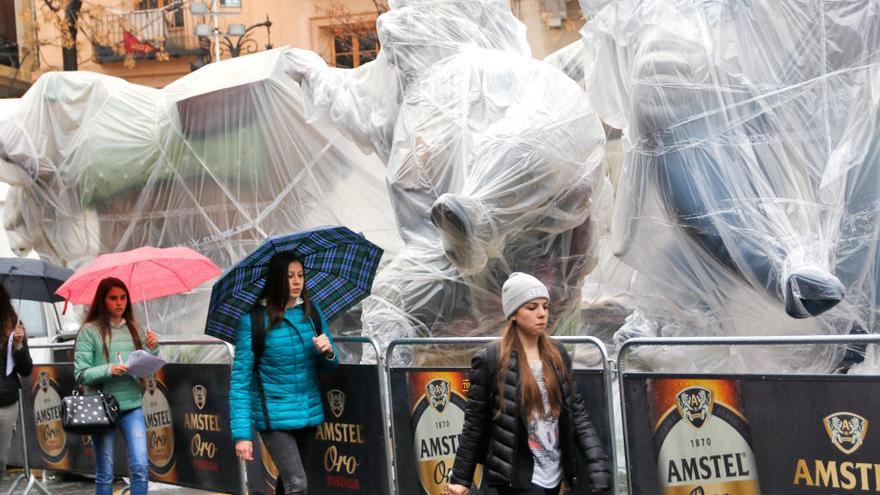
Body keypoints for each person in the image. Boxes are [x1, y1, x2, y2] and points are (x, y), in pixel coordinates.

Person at [448, 272, 611, 495]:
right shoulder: (491, 359)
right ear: (514, 314)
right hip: (514, 481)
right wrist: (460, 479)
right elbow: (474, 423)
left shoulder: (557, 354)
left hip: (554, 478)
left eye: (545, 306)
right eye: (532, 307)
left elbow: (577, 414)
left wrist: (598, 467)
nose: (542, 314)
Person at [229, 254, 339, 495]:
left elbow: (330, 366)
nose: (297, 281)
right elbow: (240, 381)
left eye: (300, 275)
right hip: (273, 416)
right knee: (298, 484)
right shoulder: (253, 321)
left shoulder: (312, 314)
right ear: (277, 279)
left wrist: (328, 351)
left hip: (308, 411)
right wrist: (241, 435)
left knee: (288, 482)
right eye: (290, 276)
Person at [74, 277, 160, 495]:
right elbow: (80, 373)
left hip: (132, 405)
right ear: (102, 301)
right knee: (105, 473)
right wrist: (108, 369)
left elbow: (148, 367)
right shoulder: (89, 331)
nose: (119, 302)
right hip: (101, 408)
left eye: (123, 298)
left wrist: (153, 349)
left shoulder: (136, 328)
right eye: (113, 298)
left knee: (140, 466)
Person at [0, 285, 32, 479]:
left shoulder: (14, 327)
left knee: (1, 459)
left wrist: (18, 346)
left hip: (5, 401)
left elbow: (26, 370)